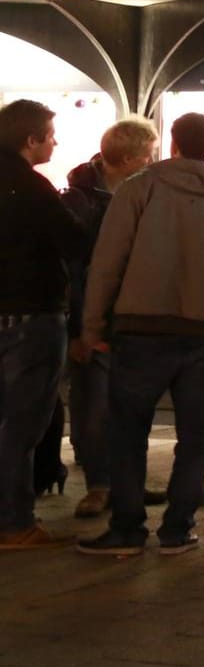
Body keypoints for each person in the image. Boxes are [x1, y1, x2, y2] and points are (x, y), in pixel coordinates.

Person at [75, 112, 204, 556]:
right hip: (203, 334)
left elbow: (107, 263)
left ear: (171, 143)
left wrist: (92, 326)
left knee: (128, 432)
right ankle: (178, 528)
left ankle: (128, 528)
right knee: (194, 436)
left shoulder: (140, 189)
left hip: (140, 330)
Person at [55, 119, 158, 517]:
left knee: (130, 406)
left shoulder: (136, 191)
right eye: (147, 154)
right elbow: (77, 268)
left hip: (131, 315)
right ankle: (100, 485)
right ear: (130, 158)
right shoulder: (81, 199)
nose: (150, 161)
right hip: (95, 316)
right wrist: (84, 324)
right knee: (95, 407)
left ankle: (127, 483)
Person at [0, 101, 87, 550]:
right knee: (22, 424)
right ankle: (14, 524)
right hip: (31, 316)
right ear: (29, 139)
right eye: (50, 135)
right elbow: (74, 240)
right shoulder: (33, 187)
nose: (55, 142)